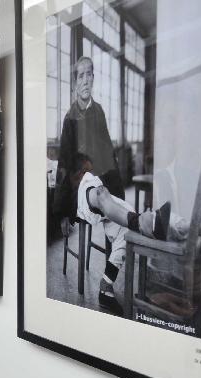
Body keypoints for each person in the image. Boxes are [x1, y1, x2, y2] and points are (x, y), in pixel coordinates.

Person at [75, 156, 180, 315]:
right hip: (88, 194)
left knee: (126, 228)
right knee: (107, 200)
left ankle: (106, 286)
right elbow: (100, 197)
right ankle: (147, 223)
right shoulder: (85, 182)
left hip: (100, 199)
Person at [54, 55, 124, 222]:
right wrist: (63, 211)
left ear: (93, 78)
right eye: (81, 76)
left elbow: (108, 153)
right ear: (76, 83)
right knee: (105, 199)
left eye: (89, 74)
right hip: (81, 184)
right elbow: (64, 163)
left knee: (120, 208)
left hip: (101, 179)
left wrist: (119, 193)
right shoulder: (70, 117)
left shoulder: (99, 111)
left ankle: (152, 223)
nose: (85, 80)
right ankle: (143, 222)